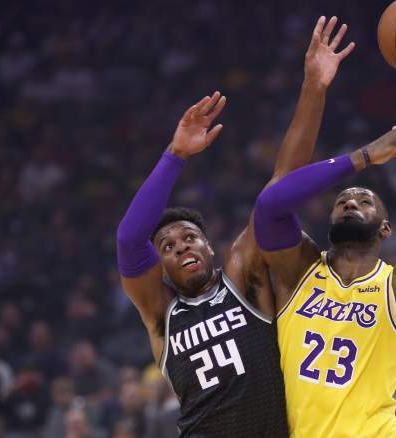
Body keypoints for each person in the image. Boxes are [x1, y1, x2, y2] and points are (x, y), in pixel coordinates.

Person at [115, 16, 354, 436]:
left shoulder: (243, 277)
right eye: (167, 248)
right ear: (162, 269)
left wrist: (314, 88)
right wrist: (174, 155)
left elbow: (282, 187)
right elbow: (129, 238)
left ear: (210, 246)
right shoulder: (160, 314)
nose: (181, 247)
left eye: (189, 238)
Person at [254, 86, 396, 437]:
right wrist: (365, 156)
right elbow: (269, 207)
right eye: (342, 200)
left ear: (385, 228)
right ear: (328, 222)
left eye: (364, 200)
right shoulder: (298, 270)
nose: (351, 202)